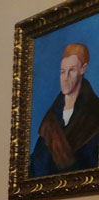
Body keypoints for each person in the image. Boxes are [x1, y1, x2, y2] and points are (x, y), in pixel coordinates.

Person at [29, 43, 99, 177]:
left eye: (72, 70)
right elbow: (36, 164)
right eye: (62, 72)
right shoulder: (50, 120)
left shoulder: (94, 114)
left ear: (83, 69)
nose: (65, 78)